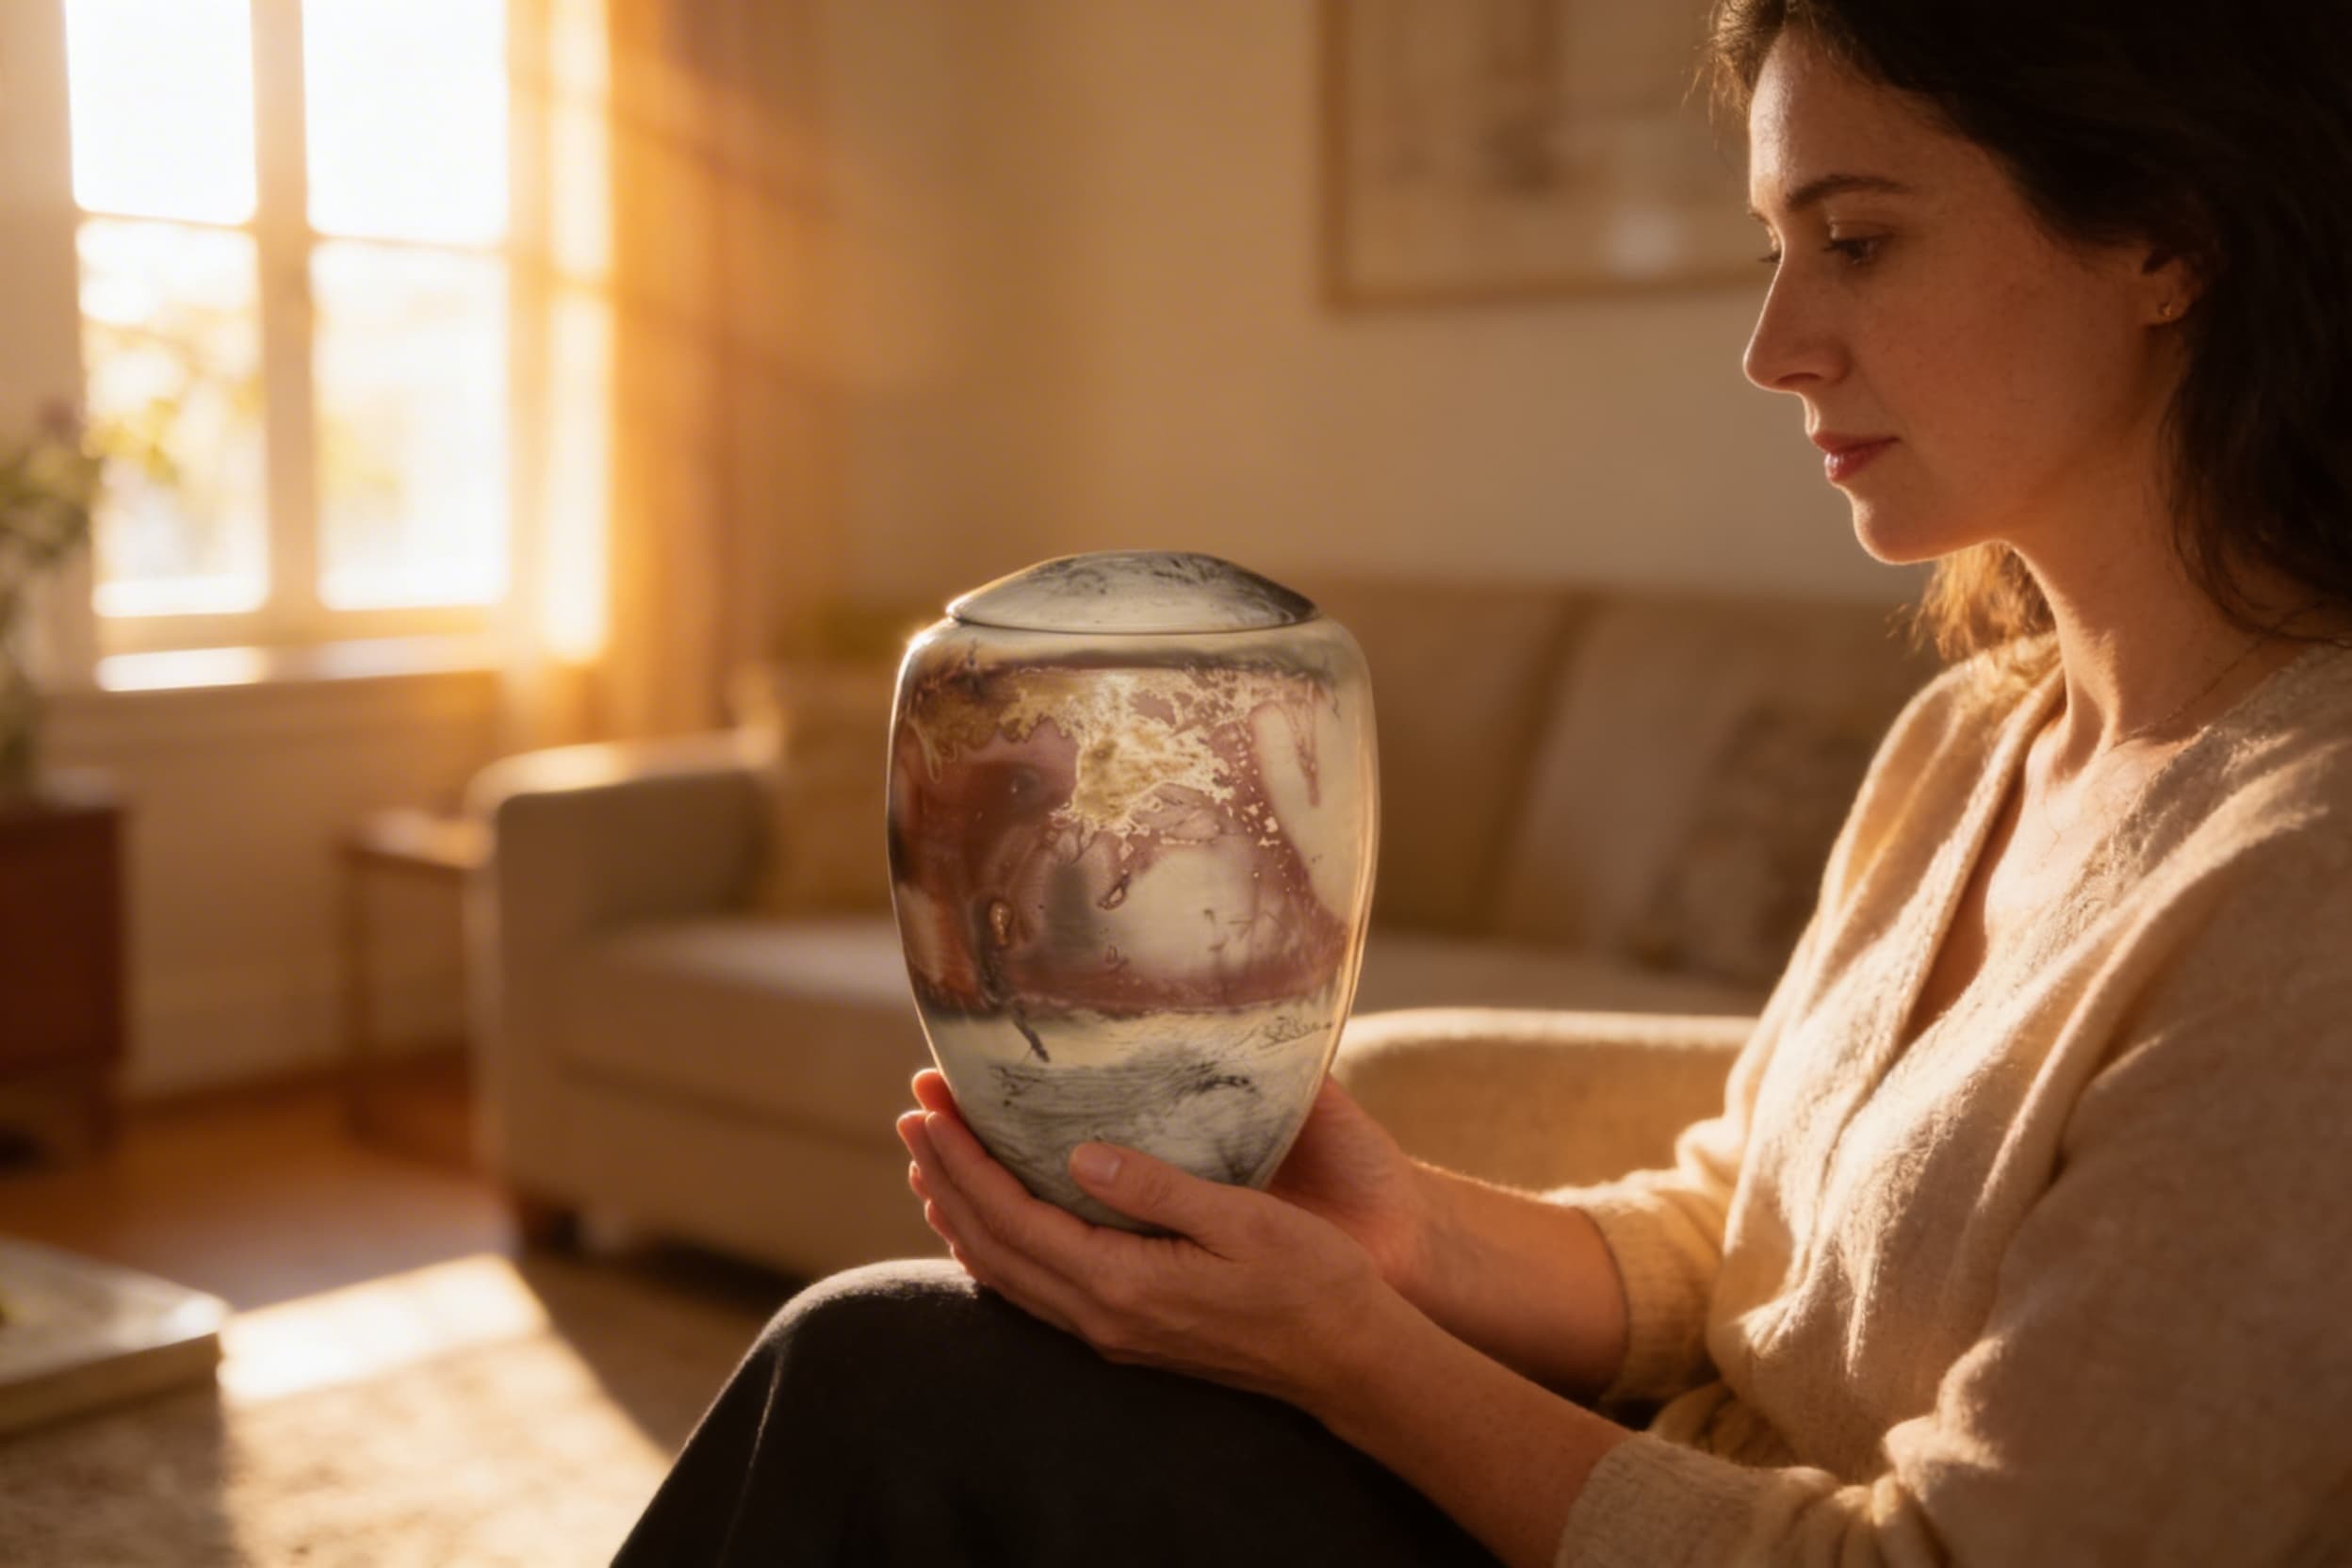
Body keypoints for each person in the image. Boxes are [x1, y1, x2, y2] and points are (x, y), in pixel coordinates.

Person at [615, 1, 2352, 1561]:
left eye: (1861, 240)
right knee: (897, 1360)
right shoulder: (1975, 740)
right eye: (1773, 244)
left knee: (889, 1393)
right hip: (1658, 1488)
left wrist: (1355, 1363)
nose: (1774, 343)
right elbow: (1747, 1243)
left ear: (2165, 238)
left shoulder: (2309, 884)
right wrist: (1409, 1245)